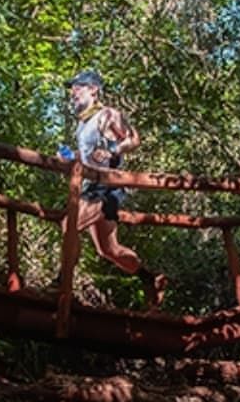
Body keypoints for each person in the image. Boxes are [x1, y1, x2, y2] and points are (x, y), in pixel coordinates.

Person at [63, 69, 166, 306]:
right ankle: (150, 278)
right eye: (72, 89)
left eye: (77, 87)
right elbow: (89, 157)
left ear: (93, 90)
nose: (73, 93)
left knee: (69, 225)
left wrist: (114, 150)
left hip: (108, 187)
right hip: (92, 185)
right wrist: (71, 156)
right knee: (108, 250)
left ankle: (61, 285)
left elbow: (133, 139)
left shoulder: (108, 115)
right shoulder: (82, 125)